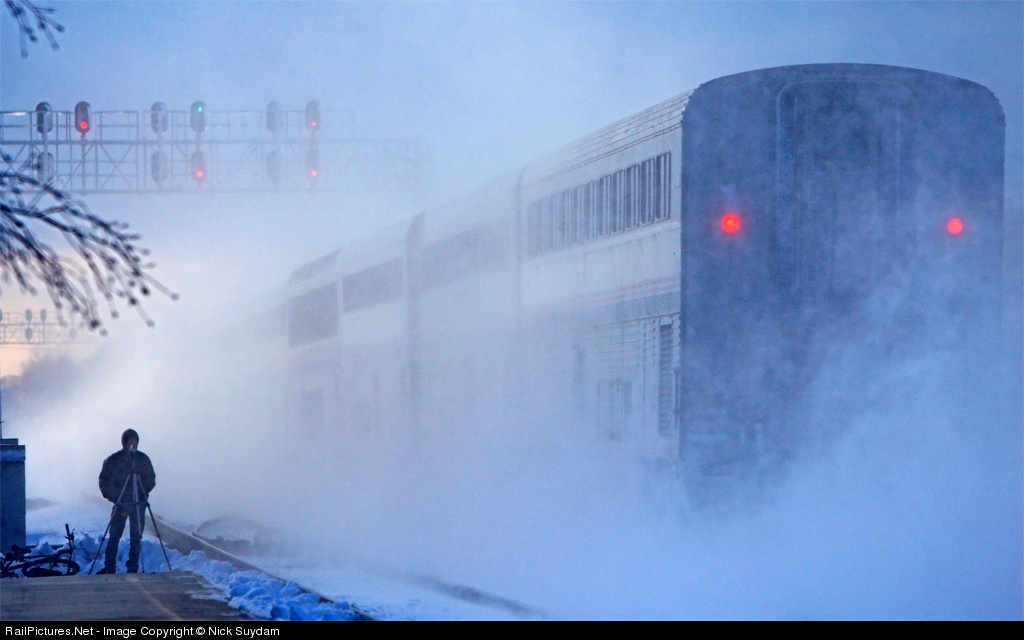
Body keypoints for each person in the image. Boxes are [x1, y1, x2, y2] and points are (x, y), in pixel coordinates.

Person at [97, 428, 156, 574]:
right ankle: (110, 567)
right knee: (114, 536)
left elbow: (151, 479)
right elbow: (104, 481)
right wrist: (116, 497)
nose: (133, 444)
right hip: (121, 504)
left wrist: (141, 493)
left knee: (136, 537)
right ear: (124, 442)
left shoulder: (142, 459)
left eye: (135, 441)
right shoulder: (113, 460)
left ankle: (133, 566)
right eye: (130, 441)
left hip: (138, 504)